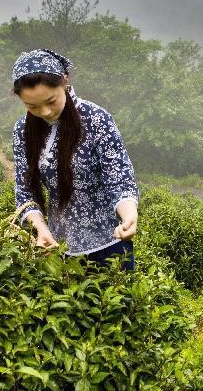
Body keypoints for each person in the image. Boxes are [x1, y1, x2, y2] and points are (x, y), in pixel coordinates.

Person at [11, 49, 139, 269]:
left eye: (51, 101)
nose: (45, 112)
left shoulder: (96, 119)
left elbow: (119, 178)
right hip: (57, 249)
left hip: (109, 246)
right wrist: (41, 230)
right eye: (32, 106)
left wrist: (129, 215)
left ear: (65, 82)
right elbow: (25, 191)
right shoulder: (23, 129)